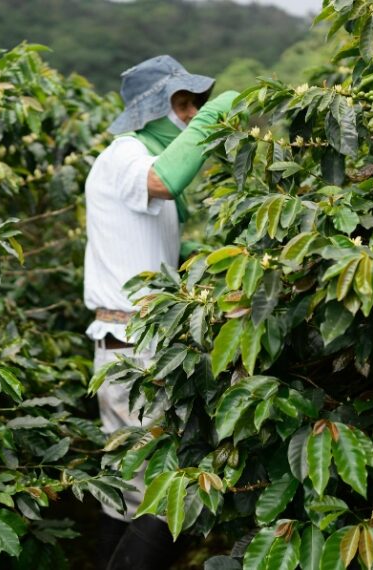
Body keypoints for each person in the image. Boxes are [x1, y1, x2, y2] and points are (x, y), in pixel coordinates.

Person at [83, 55, 238, 570]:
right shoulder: (125, 156)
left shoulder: (143, 158)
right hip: (132, 349)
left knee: (126, 491)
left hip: (146, 345)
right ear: (151, 109)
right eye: (184, 104)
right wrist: (219, 117)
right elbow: (165, 182)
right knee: (163, 490)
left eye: (198, 104)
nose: (193, 114)